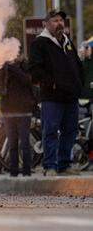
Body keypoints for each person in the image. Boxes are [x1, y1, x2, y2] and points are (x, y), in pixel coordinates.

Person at [28, 10, 83, 176]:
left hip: (71, 95)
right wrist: (51, 83)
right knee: (50, 131)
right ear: (45, 24)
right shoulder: (40, 43)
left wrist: (78, 84)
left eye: (61, 20)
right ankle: (50, 166)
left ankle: (64, 165)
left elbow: (77, 64)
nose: (59, 23)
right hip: (52, 97)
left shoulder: (67, 41)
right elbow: (35, 69)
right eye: (55, 20)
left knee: (70, 131)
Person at [0, 52, 36, 177]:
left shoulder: (25, 66)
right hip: (9, 112)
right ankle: (13, 171)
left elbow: (28, 80)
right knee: (12, 144)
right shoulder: (4, 68)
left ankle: (27, 171)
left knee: (25, 143)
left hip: (24, 112)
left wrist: (14, 68)